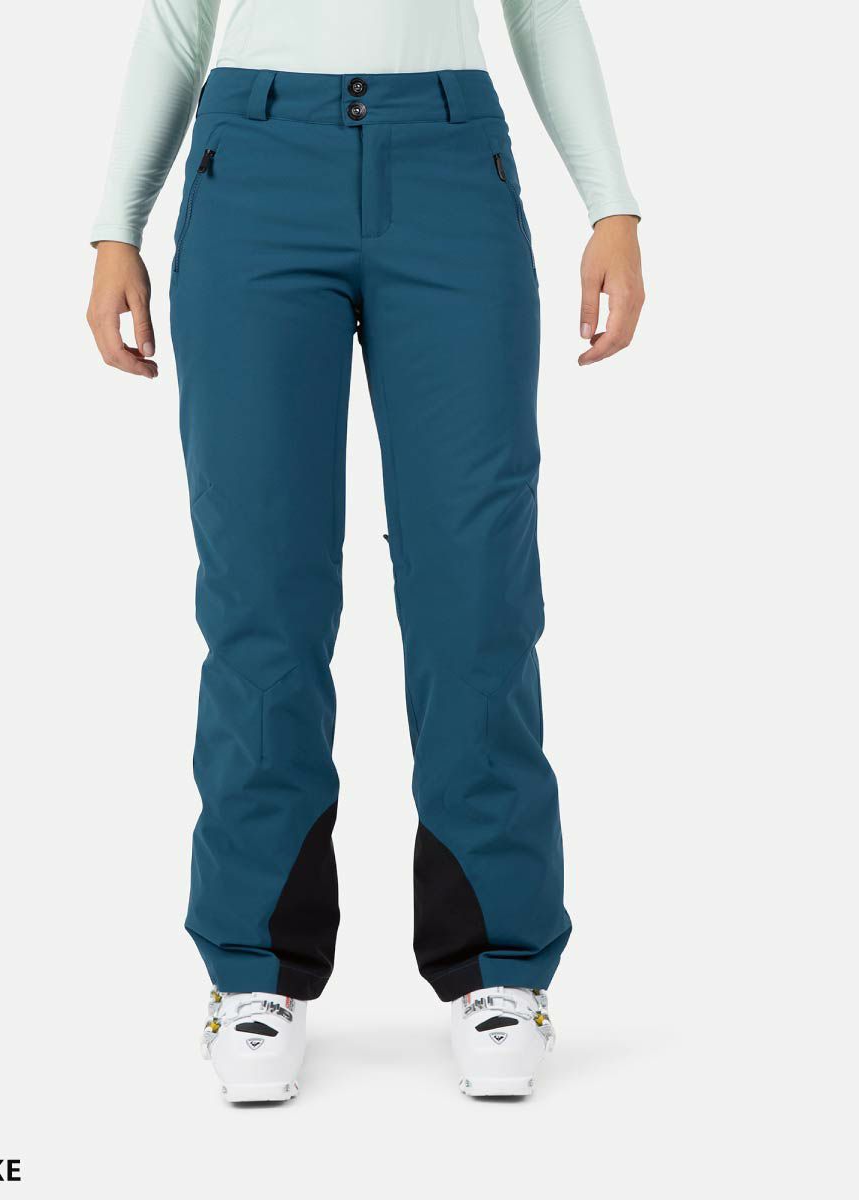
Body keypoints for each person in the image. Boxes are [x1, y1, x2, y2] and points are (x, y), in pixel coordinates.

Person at [87, 0, 644, 1102]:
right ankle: (254, 967)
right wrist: (117, 226)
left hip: (449, 164)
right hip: (253, 168)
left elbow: (540, 9)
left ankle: (499, 963)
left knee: (475, 582)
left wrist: (611, 204)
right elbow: (177, 18)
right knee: (262, 584)